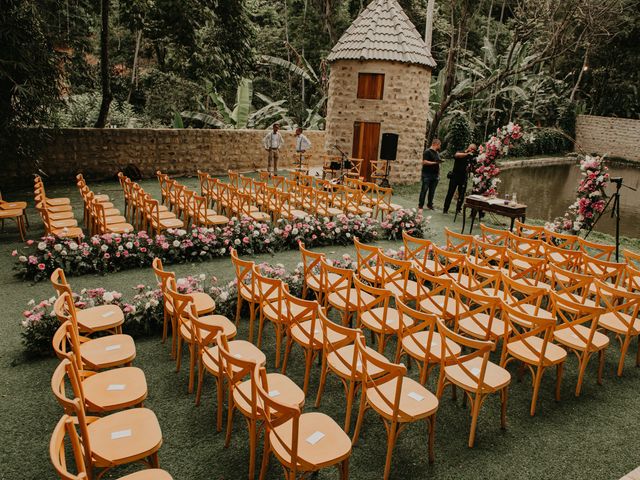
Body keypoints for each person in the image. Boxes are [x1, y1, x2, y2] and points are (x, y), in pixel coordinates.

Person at [443, 143, 477, 214]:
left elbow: (473, 167)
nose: (472, 150)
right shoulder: (461, 152)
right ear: (468, 147)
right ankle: (445, 209)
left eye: (474, 150)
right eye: (471, 148)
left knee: (461, 194)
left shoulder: (471, 157)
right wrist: (467, 154)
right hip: (455, 176)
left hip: (464, 177)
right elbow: (456, 155)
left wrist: (471, 168)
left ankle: (458, 209)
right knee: (450, 192)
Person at [418, 138, 442, 212]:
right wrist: (435, 163)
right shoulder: (427, 152)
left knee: (432, 191)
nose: (440, 147)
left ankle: (430, 205)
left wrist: (439, 174)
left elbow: (438, 163)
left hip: (435, 175)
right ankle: (420, 205)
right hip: (427, 174)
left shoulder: (437, 153)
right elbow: (424, 162)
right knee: (424, 190)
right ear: (436, 144)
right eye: (439, 145)